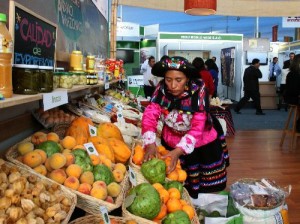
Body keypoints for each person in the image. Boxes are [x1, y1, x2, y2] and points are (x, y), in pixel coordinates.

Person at [142, 56, 227, 199]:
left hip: (200, 144)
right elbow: (150, 114)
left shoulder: (198, 91)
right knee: (174, 187)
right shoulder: (161, 90)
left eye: (178, 80)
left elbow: (198, 126)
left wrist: (179, 151)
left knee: (205, 190)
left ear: (187, 78)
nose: (172, 85)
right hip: (171, 141)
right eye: (168, 80)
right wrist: (149, 143)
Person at [285, 54, 300, 132]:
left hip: (293, 97)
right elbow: (294, 90)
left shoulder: (291, 73)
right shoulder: (295, 74)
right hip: (294, 98)